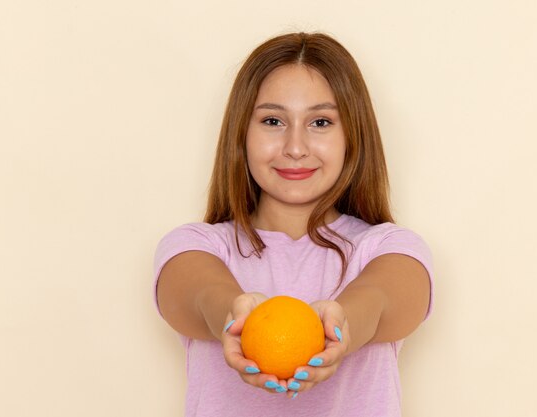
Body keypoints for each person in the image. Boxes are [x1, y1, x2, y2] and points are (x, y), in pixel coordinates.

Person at [153, 32, 433, 416]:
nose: (295, 147)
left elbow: (383, 302)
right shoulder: (196, 246)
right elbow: (199, 296)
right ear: (242, 135)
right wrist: (238, 318)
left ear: (352, 136)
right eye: (273, 120)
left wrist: (339, 326)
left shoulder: (387, 249)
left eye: (320, 121)